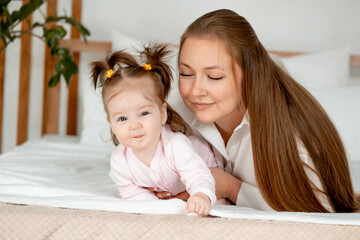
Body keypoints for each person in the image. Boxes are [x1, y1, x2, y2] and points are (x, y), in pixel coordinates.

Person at [153, 9, 359, 213]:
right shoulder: (170, 111)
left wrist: (230, 187)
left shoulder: (294, 137)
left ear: (250, 75)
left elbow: (320, 211)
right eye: (186, 73)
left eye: (214, 77)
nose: (195, 90)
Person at [90, 44, 218, 216]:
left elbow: (199, 175)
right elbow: (134, 195)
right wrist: (157, 206)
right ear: (110, 123)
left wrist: (201, 195)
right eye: (122, 118)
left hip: (212, 168)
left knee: (214, 204)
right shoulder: (120, 161)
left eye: (143, 113)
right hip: (177, 188)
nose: (134, 125)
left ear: (162, 113)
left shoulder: (176, 145)